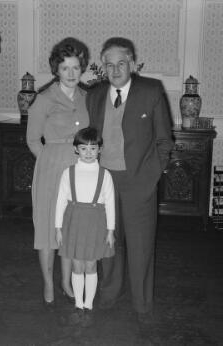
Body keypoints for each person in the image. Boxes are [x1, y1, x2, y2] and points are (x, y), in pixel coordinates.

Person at [86, 37, 174, 320]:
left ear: (132, 64)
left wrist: (150, 179)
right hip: (104, 181)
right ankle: (109, 293)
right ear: (103, 67)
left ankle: (141, 302)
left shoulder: (151, 90)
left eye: (121, 64)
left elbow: (164, 140)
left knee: (141, 245)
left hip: (139, 183)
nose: (115, 70)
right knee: (109, 243)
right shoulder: (95, 94)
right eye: (109, 65)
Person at [26, 37, 90, 305]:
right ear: (56, 69)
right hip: (51, 170)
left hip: (80, 170)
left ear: (82, 68)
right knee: (47, 230)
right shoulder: (43, 99)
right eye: (65, 68)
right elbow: (32, 139)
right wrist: (50, 160)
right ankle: (48, 284)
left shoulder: (88, 97)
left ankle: (66, 281)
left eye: (76, 67)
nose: (72, 74)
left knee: (70, 229)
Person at [55, 127, 115, 325]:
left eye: (93, 148)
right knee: (76, 263)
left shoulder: (105, 175)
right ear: (76, 150)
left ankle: (88, 302)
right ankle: (78, 302)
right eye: (84, 148)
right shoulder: (68, 173)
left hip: (95, 223)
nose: (88, 153)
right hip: (73, 222)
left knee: (90, 264)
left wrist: (110, 230)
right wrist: (57, 228)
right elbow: (60, 201)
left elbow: (110, 203)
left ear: (100, 149)